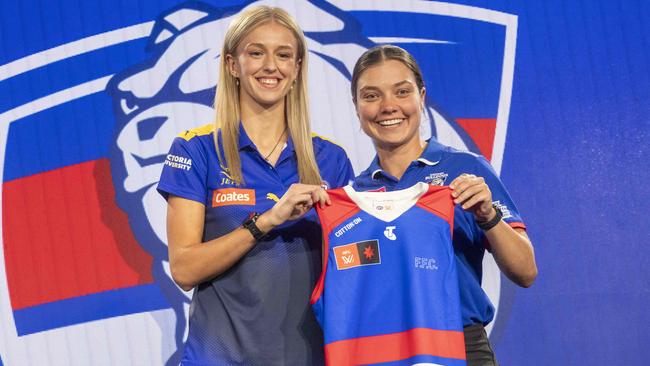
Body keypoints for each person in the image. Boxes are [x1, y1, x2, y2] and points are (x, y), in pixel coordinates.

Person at [156, 6, 353, 365]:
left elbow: (349, 273)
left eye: (283, 55)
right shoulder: (196, 150)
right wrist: (265, 221)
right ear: (233, 65)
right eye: (256, 52)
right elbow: (183, 269)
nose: (270, 66)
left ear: (296, 69)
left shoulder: (331, 160)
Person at [350, 45, 538, 366]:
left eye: (402, 91)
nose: (388, 106)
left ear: (422, 97)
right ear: (356, 107)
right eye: (371, 96)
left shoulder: (466, 168)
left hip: (461, 346)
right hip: (385, 351)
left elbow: (525, 272)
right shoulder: (356, 193)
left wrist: (488, 216)